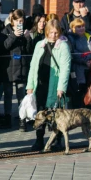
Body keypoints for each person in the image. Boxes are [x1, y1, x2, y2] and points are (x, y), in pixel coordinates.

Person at [26, 19, 71, 151]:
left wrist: (61, 87)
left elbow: (65, 68)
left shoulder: (63, 46)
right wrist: (30, 85)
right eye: (51, 32)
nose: (53, 35)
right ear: (46, 32)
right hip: (40, 84)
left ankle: (57, 140)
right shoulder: (39, 44)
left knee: (55, 114)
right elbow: (33, 66)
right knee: (40, 113)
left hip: (55, 84)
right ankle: (39, 140)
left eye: (56, 32)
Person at [1, 9, 32, 131]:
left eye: (22, 21)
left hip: (22, 67)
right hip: (9, 67)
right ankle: (7, 117)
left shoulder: (25, 32)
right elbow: (4, 47)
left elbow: (29, 50)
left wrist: (28, 38)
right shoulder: (6, 31)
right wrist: (14, 35)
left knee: (21, 95)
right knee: (8, 95)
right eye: (18, 21)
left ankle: (22, 119)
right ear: (12, 20)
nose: (20, 23)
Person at [68, 18, 91, 109]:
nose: (81, 28)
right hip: (78, 69)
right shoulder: (71, 38)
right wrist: (85, 61)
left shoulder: (90, 36)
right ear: (73, 28)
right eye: (78, 27)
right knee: (79, 93)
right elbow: (73, 52)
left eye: (83, 26)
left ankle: (90, 114)